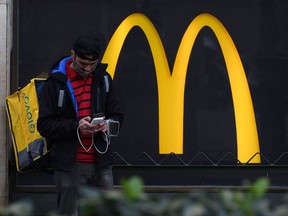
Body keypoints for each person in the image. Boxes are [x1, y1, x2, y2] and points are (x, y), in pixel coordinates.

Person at [37, 33, 124, 216]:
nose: (88, 68)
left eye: (93, 64)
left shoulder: (103, 79)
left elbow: (118, 116)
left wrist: (108, 125)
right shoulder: (55, 83)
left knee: (107, 211)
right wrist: (77, 127)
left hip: (101, 163)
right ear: (72, 54)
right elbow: (44, 125)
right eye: (83, 63)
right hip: (69, 165)